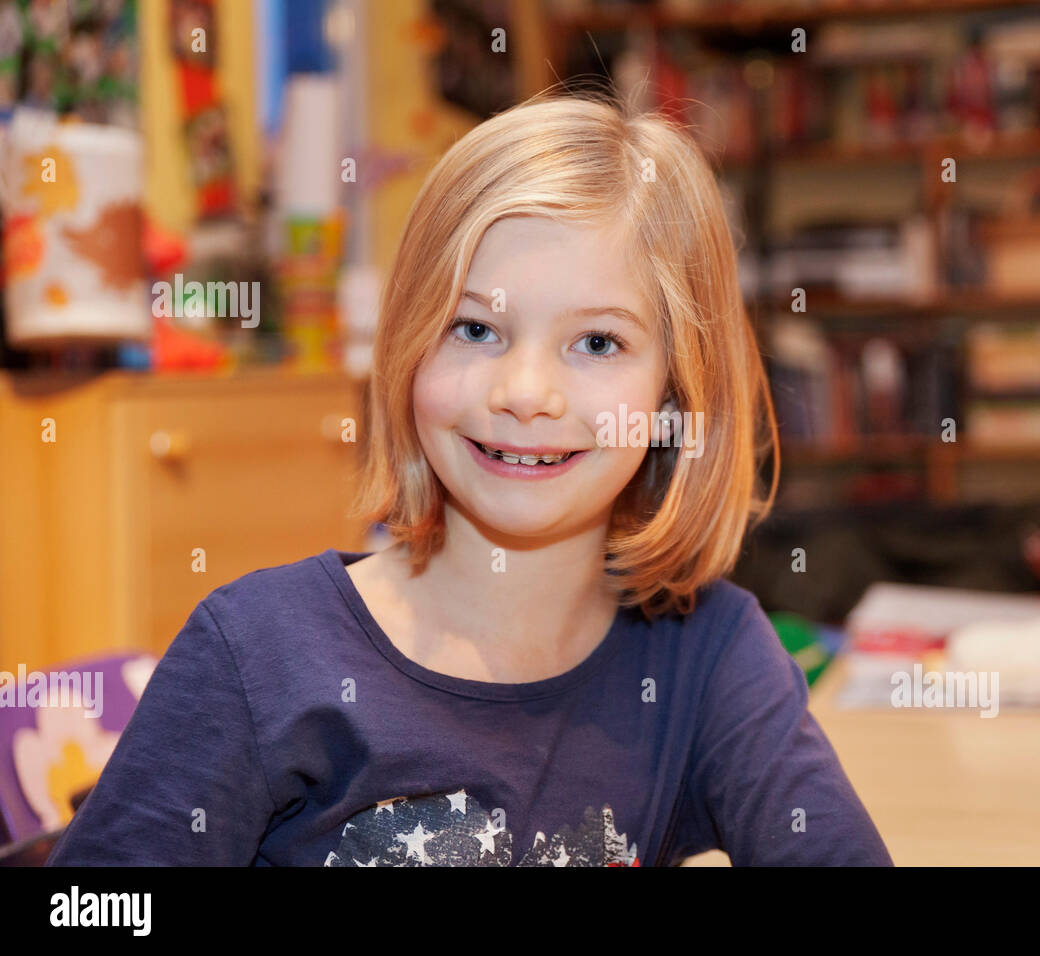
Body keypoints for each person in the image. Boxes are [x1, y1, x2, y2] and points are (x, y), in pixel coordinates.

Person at [46, 91, 893, 867]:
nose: (524, 393)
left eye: (597, 343)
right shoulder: (257, 656)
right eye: (475, 328)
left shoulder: (710, 660)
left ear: (676, 392)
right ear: (410, 342)